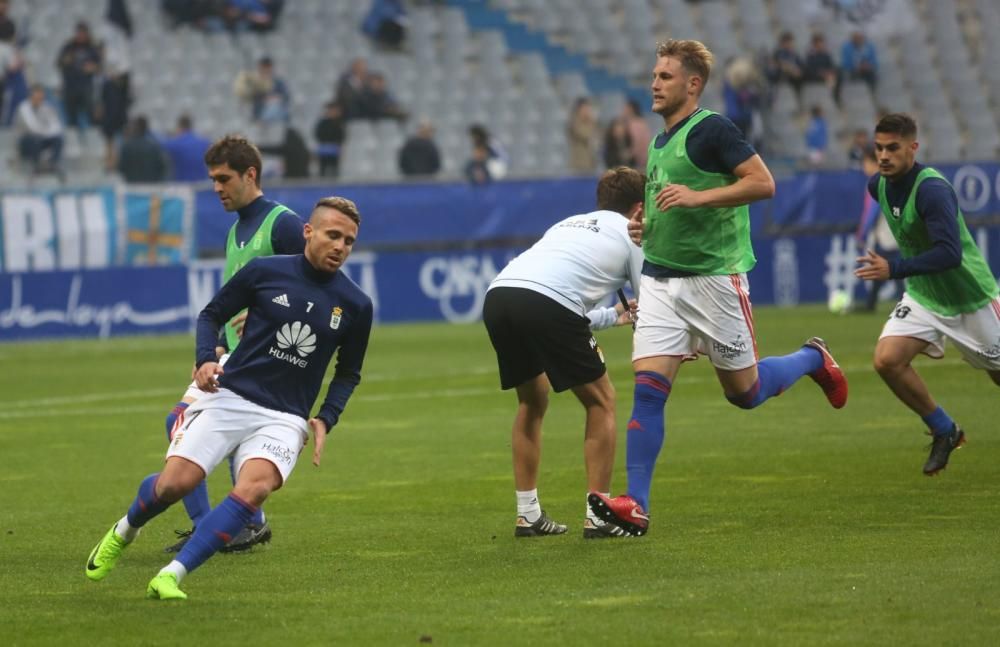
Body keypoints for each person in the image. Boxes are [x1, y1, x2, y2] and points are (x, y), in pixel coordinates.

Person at [588, 39, 848, 537]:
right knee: (647, 392)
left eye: (665, 76)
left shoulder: (713, 130)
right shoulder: (660, 141)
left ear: (693, 84)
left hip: (714, 281)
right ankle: (635, 505)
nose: (654, 83)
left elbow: (763, 183)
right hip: (662, 280)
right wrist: (648, 229)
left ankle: (814, 357)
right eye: (654, 74)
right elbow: (669, 203)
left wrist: (700, 196)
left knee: (745, 394)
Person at [85, 196, 373, 600]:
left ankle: (172, 574)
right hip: (231, 396)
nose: (341, 246)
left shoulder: (357, 304)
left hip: (285, 417)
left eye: (349, 240)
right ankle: (124, 530)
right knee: (174, 486)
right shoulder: (264, 272)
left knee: (255, 488)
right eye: (333, 235)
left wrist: (326, 417)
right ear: (309, 232)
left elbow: (349, 372)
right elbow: (211, 315)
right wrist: (205, 359)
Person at [161, 135, 306, 554]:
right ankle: (231, 524)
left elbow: (314, 291)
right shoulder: (236, 230)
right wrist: (215, 352)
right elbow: (233, 301)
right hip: (234, 355)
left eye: (224, 178)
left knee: (184, 424)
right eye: (212, 180)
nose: (217, 188)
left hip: (267, 358)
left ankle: (223, 525)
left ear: (250, 174)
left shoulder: (283, 224)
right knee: (180, 425)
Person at [483, 166, 645, 539]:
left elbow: (552, 302)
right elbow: (649, 304)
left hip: (500, 294)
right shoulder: (635, 234)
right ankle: (600, 514)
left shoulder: (570, 223)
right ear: (639, 208)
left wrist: (611, 315)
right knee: (602, 402)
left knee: (532, 402)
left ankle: (527, 514)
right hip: (546, 302)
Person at [855, 113, 999, 475]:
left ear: (913, 148)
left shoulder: (932, 189)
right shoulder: (879, 186)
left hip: (971, 297)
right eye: (879, 148)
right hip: (924, 296)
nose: (884, 156)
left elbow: (950, 254)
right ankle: (944, 429)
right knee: (887, 360)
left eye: (893, 148)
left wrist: (894, 269)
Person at [854, 147, 901, 312]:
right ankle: (871, 304)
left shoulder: (876, 182)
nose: (863, 167)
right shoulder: (889, 179)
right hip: (890, 233)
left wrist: (861, 234)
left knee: (892, 269)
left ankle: (874, 305)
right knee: (884, 269)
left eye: (865, 163)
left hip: (885, 234)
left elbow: (871, 212)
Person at [55, 21, 101, 131]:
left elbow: (99, 67)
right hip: (70, 86)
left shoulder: (92, 48)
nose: (80, 35)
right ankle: (73, 139)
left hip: (86, 86)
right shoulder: (68, 47)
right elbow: (59, 63)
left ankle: (93, 136)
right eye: (79, 32)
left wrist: (93, 67)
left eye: (83, 33)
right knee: (71, 117)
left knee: (91, 114)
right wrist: (65, 61)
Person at [15, 85, 64, 175]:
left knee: (58, 139)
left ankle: (52, 163)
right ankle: (37, 166)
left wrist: (48, 132)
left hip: (42, 138)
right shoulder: (24, 108)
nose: (39, 100)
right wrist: (47, 131)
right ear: (31, 97)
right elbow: (32, 128)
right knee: (34, 139)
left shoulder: (46, 107)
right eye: (36, 97)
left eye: (41, 98)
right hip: (27, 142)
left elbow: (56, 126)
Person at [117, 115, 168, 183]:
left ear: (134, 128)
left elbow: (121, 168)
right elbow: (162, 167)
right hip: (151, 187)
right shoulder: (154, 146)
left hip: (132, 186)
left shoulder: (126, 146)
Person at [161, 114, 212, 182]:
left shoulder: (173, 144)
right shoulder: (204, 143)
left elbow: (161, 147)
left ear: (179, 127)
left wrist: (171, 135)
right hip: (200, 185)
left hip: (181, 185)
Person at [566, 96, 598, 174]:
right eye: (585, 108)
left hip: (590, 162)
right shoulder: (575, 122)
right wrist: (590, 122)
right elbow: (586, 135)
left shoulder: (589, 122)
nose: (587, 111)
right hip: (579, 163)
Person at [314, 100, 345, 177]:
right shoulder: (322, 123)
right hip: (324, 149)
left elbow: (341, 136)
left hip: (334, 149)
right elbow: (318, 135)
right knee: (322, 171)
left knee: (335, 171)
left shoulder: (339, 123)